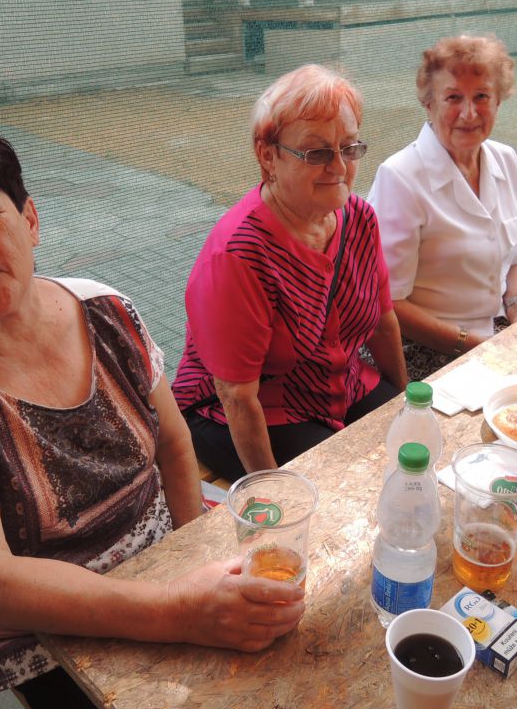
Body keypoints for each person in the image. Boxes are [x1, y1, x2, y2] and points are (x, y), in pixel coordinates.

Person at [0, 115, 304, 706]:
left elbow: (174, 445)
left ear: (30, 219)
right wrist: (181, 612)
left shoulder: (106, 310)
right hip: (43, 623)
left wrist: (195, 557)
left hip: (161, 553)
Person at [173, 64, 407, 481]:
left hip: (342, 384)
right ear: (268, 155)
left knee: (411, 444)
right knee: (336, 484)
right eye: (317, 153)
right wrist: (276, 492)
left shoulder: (360, 218)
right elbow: (236, 395)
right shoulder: (239, 255)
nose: (339, 168)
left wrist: (405, 403)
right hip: (256, 409)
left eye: (349, 148)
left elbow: (383, 323)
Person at [367, 34, 517, 381]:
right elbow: (386, 304)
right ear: (428, 103)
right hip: (418, 349)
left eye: (482, 96)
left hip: (493, 335)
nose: (469, 113)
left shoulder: (506, 159)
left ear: (499, 100)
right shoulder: (400, 178)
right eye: (453, 97)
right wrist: (474, 345)